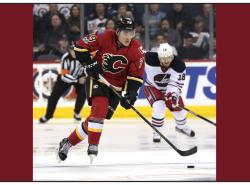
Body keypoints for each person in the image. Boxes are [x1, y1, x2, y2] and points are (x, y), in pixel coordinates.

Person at [57, 17, 145, 163]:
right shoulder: (104, 36)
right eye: (125, 32)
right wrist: (88, 63)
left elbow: (136, 76)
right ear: (117, 31)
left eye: (132, 33)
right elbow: (79, 46)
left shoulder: (137, 49)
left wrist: (131, 94)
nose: (129, 36)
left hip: (116, 87)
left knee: (96, 118)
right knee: (99, 110)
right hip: (98, 79)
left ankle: (67, 142)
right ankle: (93, 145)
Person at [143, 43, 195, 143]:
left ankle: (182, 127)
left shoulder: (179, 65)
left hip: (169, 89)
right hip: (152, 87)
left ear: (172, 55)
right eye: (163, 58)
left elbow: (176, 84)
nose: (166, 61)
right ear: (158, 56)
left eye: (168, 57)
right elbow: (135, 54)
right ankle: (157, 131)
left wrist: (173, 96)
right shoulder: (149, 58)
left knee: (178, 108)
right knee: (159, 106)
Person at [39, 46, 87, 124]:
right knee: (54, 96)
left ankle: (76, 113)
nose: (74, 53)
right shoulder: (65, 57)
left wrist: (84, 76)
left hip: (79, 77)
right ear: (70, 51)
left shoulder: (84, 57)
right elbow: (64, 75)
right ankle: (48, 116)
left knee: (83, 93)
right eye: (72, 51)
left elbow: (87, 68)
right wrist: (77, 80)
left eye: (76, 51)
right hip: (65, 78)